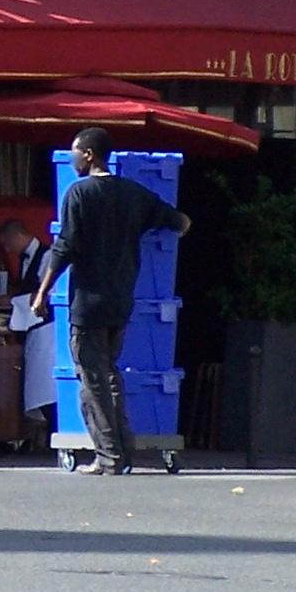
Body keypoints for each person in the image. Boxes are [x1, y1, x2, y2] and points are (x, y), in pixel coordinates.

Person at [31, 128, 192, 476]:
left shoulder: (79, 193)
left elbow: (65, 246)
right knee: (110, 374)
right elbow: (180, 222)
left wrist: (43, 292)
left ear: (89, 154)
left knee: (92, 381)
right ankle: (123, 450)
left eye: (75, 152)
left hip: (88, 301)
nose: (72, 159)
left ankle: (108, 456)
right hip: (122, 300)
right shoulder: (133, 193)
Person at [0, 217, 56, 445]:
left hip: (47, 330)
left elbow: (44, 293)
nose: (8, 249)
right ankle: (47, 435)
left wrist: (12, 300)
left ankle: (54, 432)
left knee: (46, 388)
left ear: (17, 236)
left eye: (7, 243)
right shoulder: (24, 260)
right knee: (37, 387)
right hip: (33, 331)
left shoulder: (47, 255)